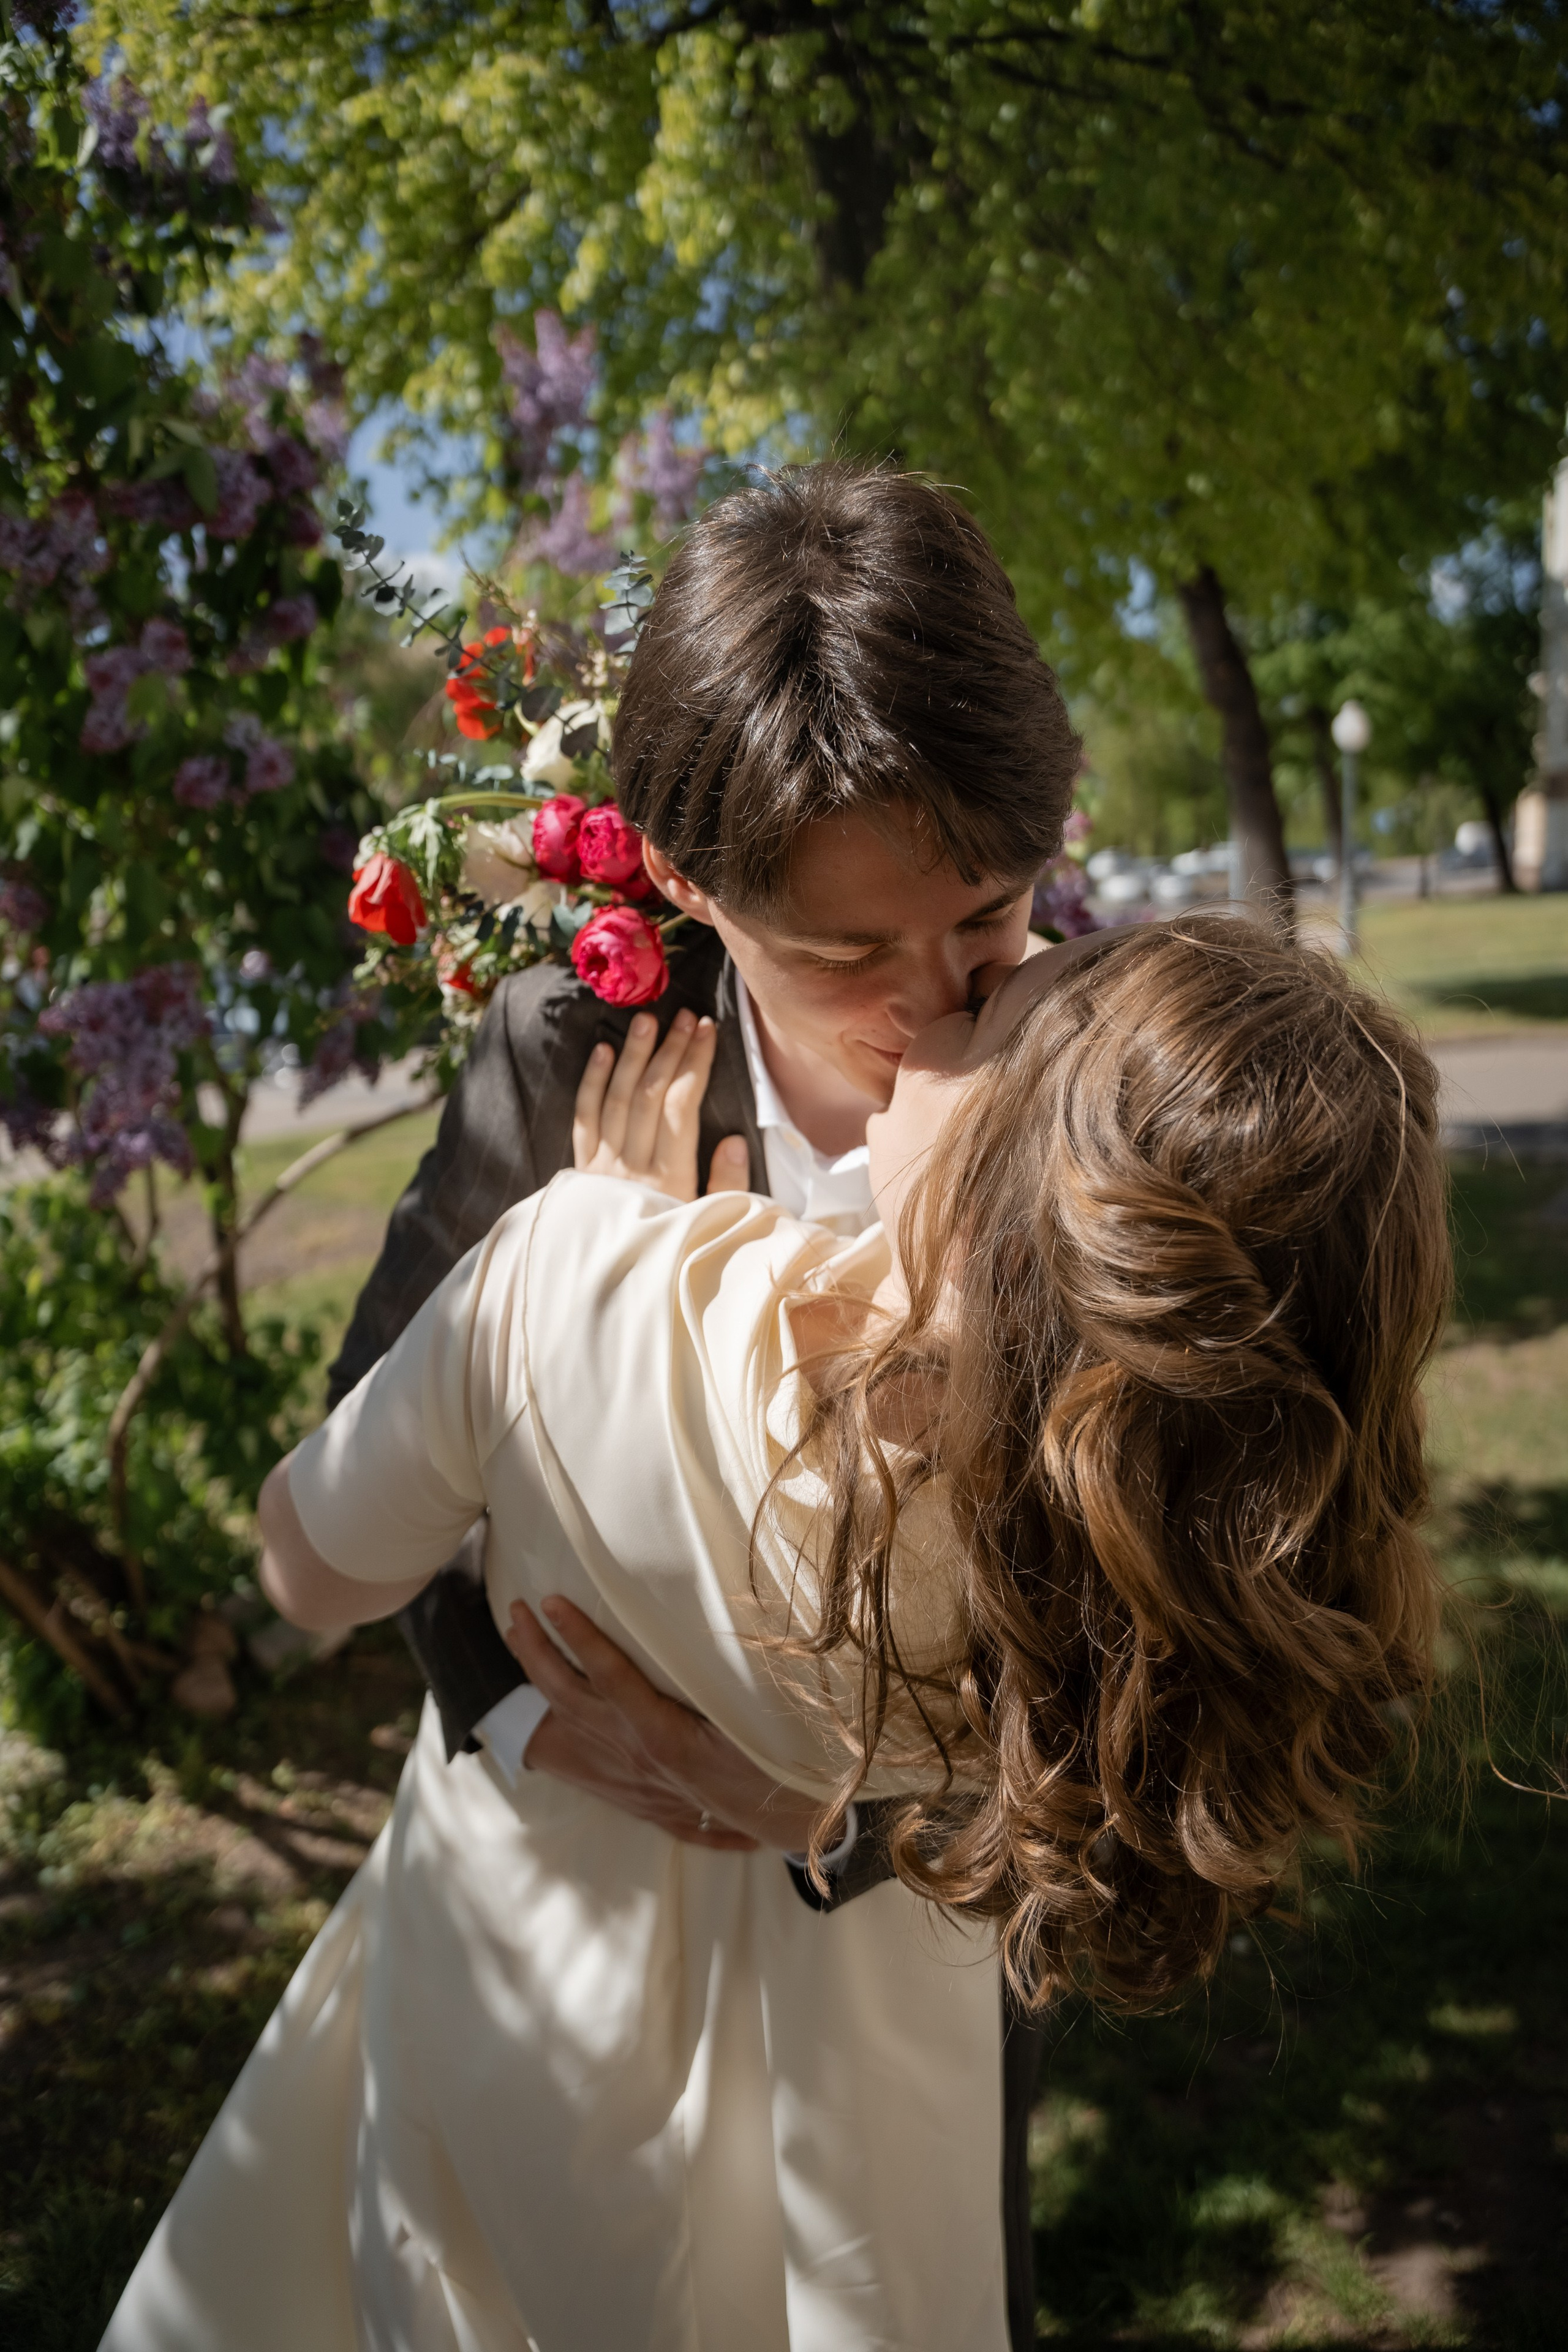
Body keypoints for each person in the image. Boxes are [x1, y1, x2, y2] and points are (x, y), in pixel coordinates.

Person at [99, 911, 1450, 2352]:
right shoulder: (1127, 1518)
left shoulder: (572, 1267)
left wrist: (608, 1244)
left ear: (1030, 1169)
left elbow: (311, 1567)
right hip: (702, 1959)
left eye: (989, 988)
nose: (937, 999)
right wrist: (581, 1727)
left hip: (773, 2009)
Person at [325, 461, 1082, 2342]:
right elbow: (376, 1422)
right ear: (677, 878)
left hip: (922, 1936)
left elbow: (1131, 1598)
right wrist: (513, 1718)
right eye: (845, 954)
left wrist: (848, 1809)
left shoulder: (1112, 1083)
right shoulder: (564, 1047)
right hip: (592, 1932)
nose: (937, 1001)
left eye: (985, 913)